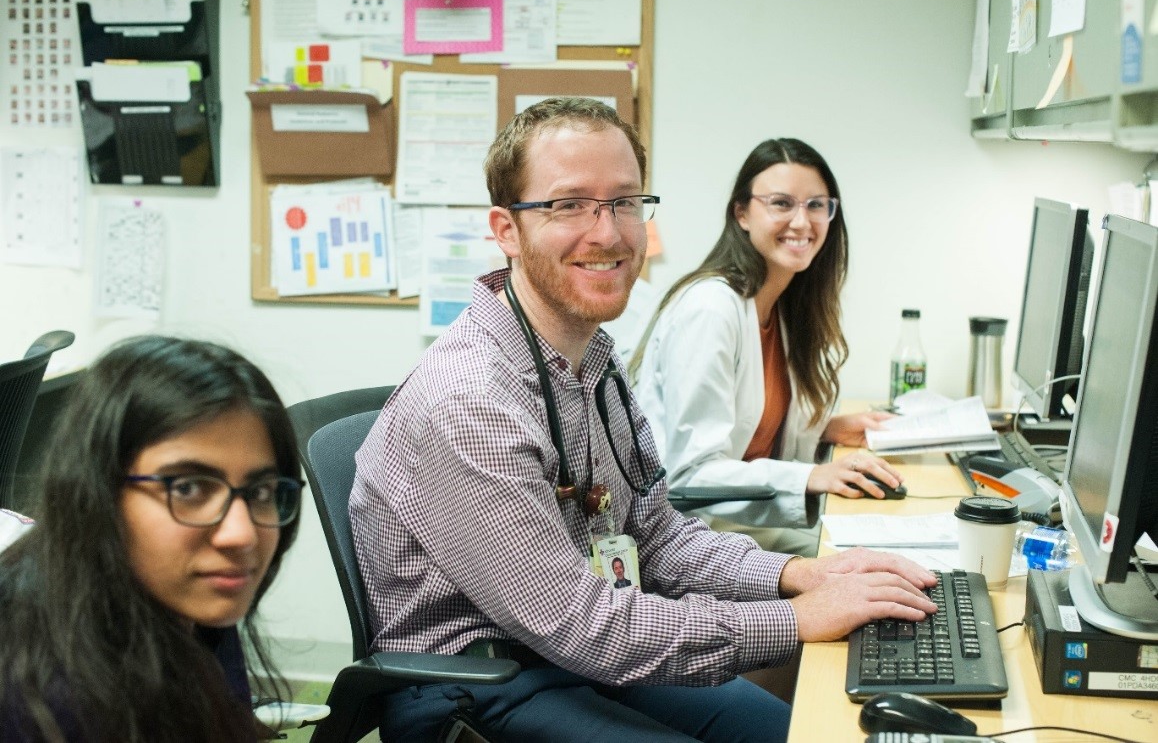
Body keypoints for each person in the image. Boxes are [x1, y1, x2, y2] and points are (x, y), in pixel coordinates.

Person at [350, 97, 937, 742]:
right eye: (568, 204)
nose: (607, 233)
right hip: (475, 687)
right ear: (506, 229)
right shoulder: (471, 402)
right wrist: (796, 619)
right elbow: (581, 623)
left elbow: (650, 533)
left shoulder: (592, 361)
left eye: (624, 202)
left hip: (570, 658)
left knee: (799, 733)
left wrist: (797, 574)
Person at [0, 336, 303, 743]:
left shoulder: (193, 602)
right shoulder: (47, 697)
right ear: (98, 492)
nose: (242, 534)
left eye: (261, 492)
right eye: (189, 489)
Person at [630, 138, 902, 556]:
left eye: (816, 205)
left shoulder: (780, 306)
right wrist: (811, 475)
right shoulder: (711, 310)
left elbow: (757, 430)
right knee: (872, 568)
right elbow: (689, 474)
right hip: (692, 540)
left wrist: (826, 428)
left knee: (887, 558)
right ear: (742, 213)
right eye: (781, 203)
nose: (802, 221)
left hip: (741, 528)